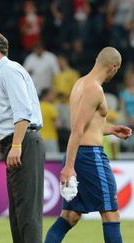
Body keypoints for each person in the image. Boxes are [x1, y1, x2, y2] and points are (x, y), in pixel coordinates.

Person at [44, 47, 132, 243]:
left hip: (79, 155)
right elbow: (77, 129)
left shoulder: (80, 83)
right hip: (90, 156)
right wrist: (68, 167)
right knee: (111, 214)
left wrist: (110, 129)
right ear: (113, 67)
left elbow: (86, 126)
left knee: (70, 216)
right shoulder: (95, 89)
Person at [0, 29, 45, 243]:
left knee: (27, 215)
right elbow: (9, 118)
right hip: (19, 142)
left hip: (24, 143)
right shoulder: (4, 73)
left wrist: (16, 145)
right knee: (18, 215)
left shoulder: (9, 71)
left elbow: (22, 113)